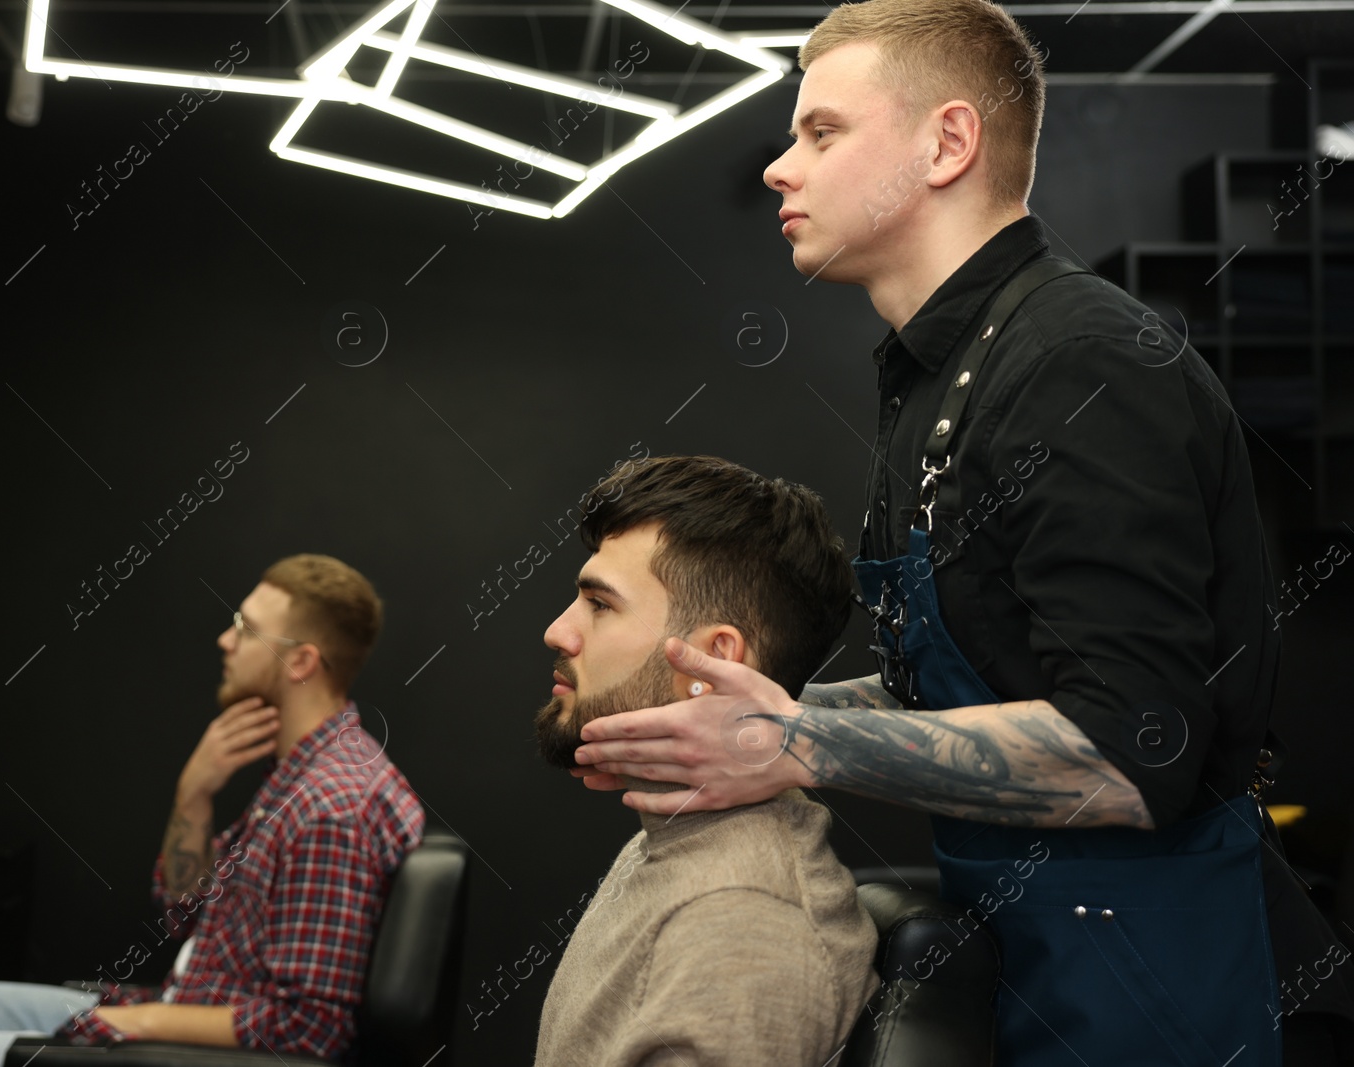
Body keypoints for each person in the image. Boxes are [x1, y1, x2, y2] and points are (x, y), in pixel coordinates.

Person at [570, 1, 1354, 1064]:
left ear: (946, 143)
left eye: (822, 132)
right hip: (1040, 960)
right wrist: (739, 715)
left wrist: (793, 742)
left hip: (1162, 984)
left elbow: (1133, 752)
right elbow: (961, 683)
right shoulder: (938, 373)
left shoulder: (1081, 365)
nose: (777, 168)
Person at [0, 554, 423, 1066]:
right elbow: (183, 916)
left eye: (247, 628)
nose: (225, 640)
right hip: (179, 1007)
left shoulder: (331, 809)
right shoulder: (302, 777)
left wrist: (136, 1021)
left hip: (191, 1055)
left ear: (301, 660)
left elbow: (308, 1027)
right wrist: (194, 794)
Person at [531, 454, 878, 1067]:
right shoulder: (676, 840)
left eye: (600, 604)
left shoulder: (738, 928)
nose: (558, 632)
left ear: (712, 660)